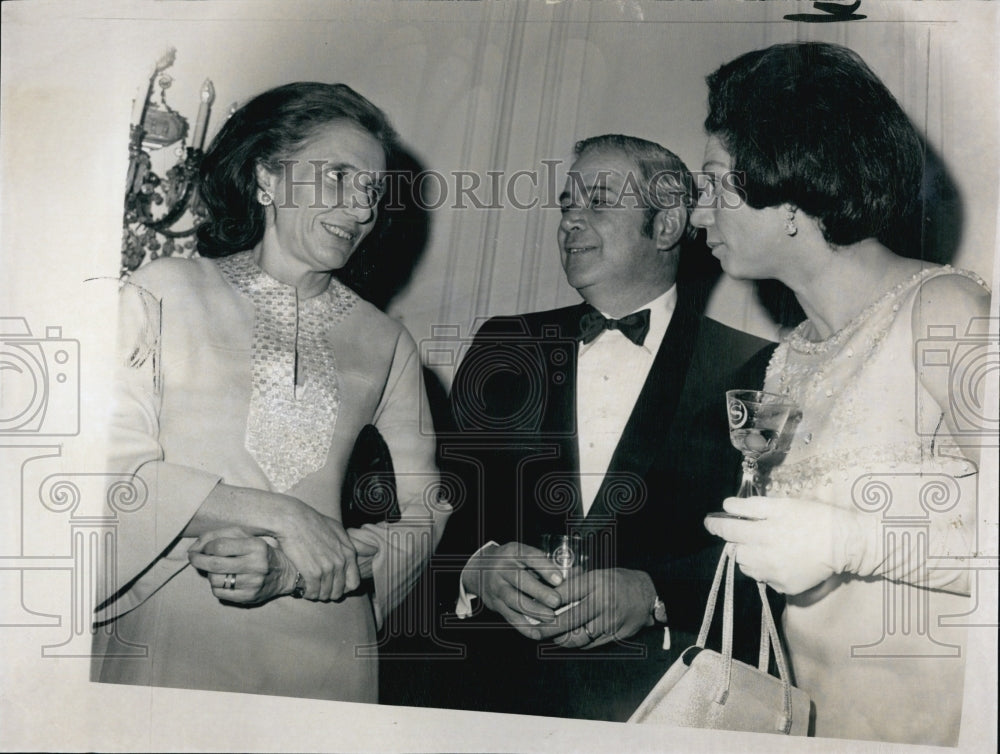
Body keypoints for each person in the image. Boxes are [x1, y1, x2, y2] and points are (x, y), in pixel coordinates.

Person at [91, 82, 451, 703]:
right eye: (336, 176)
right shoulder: (162, 291)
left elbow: (426, 509)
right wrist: (281, 515)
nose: (360, 208)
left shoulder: (387, 340)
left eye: (371, 190)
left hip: (328, 648)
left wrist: (302, 570)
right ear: (267, 178)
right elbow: (107, 469)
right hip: (177, 628)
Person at [401, 134, 775, 722]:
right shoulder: (506, 344)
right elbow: (429, 506)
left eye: (597, 201)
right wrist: (478, 565)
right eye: (566, 203)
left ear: (668, 224)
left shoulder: (756, 369)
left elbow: (767, 557)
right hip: (485, 700)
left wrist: (656, 595)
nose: (570, 219)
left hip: (652, 708)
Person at [694, 42, 990, 745]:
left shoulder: (943, 313)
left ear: (791, 184)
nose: (700, 216)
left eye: (714, 184)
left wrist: (847, 540)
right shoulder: (788, 358)